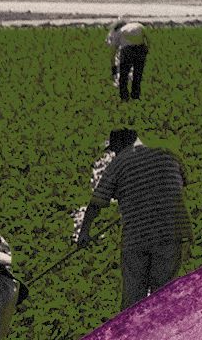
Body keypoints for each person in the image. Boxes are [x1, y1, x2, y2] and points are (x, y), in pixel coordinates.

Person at [75, 128, 190, 311]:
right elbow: (184, 182)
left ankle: (131, 335)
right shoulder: (168, 152)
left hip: (137, 236)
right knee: (164, 293)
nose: (114, 153)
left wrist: (84, 233)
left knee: (133, 298)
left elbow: (97, 203)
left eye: (114, 150)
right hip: (172, 229)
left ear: (120, 145)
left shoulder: (119, 162)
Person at [107, 18, 149, 101]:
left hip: (127, 51)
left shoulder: (119, 32)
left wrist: (113, 68)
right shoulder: (139, 25)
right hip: (141, 49)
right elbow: (148, 40)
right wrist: (146, 52)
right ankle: (135, 97)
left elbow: (112, 53)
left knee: (123, 76)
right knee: (137, 75)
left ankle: (124, 98)